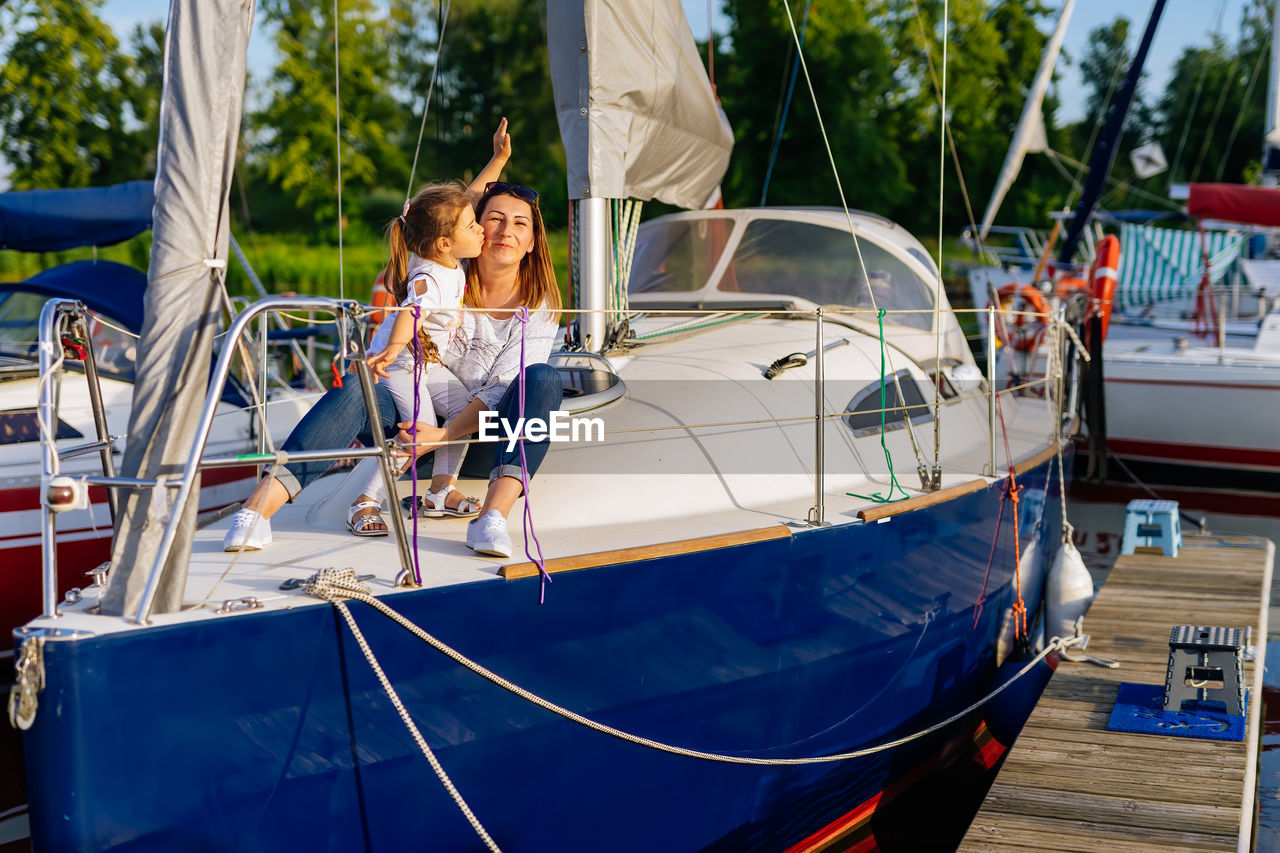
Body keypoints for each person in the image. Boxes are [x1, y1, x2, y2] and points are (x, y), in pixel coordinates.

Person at [223, 124, 563, 560]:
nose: (503, 230)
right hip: (411, 413)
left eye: (520, 224)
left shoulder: (541, 304)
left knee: (543, 379)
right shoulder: (445, 267)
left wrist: (440, 435)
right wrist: (496, 162)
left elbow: (500, 389)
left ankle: (491, 518)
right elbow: (453, 210)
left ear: (533, 241)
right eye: (493, 218)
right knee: (356, 389)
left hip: (475, 430)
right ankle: (256, 511)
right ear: (472, 226)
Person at [345, 182, 484, 535]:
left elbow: (470, 197)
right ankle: (365, 499)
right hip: (402, 364)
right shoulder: (430, 276)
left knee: (464, 413)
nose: (480, 227)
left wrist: (498, 159)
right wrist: (392, 348)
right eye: (472, 225)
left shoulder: (446, 255)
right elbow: (410, 313)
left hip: (428, 364)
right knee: (418, 435)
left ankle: (440, 490)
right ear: (444, 242)